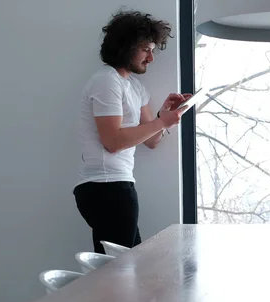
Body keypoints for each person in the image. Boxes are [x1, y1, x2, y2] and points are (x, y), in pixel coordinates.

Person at [73, 10, 190, 254]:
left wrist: (163, 115)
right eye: (146, 49)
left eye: (153, 50)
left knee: (124, 269)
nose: (151, 58)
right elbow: (113, 141)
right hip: (106, 187)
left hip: (118, 186)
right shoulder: (106, 81)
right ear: (126, 47)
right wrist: (162, 122)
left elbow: (152, 141)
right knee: (119, 274)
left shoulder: (133, 86)